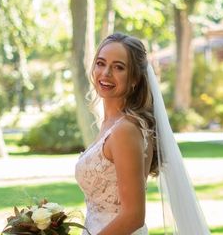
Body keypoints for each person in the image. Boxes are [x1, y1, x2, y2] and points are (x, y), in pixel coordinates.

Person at [75, 33, 210, 235]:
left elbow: (133, 216)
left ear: (135, 78)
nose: (106, 73)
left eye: (119, 67)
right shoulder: (111, 124)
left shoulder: (125, 130)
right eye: (101, 63)